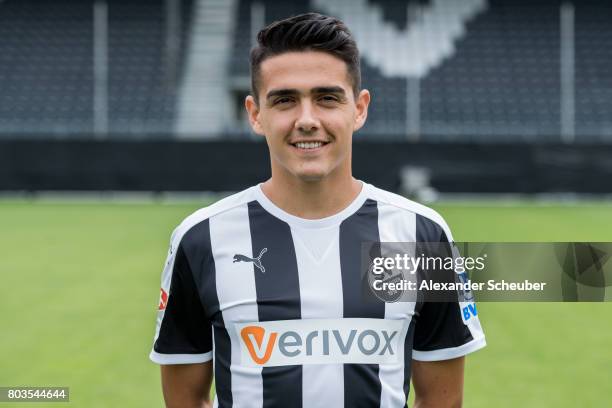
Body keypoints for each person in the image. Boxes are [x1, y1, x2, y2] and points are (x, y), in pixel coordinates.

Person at [150, 12, 485, 408]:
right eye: (285, 100)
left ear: (358, 109)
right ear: (255, 114)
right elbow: (184, 398)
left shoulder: (422, 234)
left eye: (327, 98)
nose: (307, 120)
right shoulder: (201, 238)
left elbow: (442, 399)